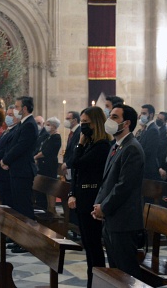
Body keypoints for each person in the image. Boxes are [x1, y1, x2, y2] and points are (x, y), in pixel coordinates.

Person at [92, 104, 144, 280]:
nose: (109, 120)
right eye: (110, 116)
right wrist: (99, 206)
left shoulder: (132, 148)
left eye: (114, 117)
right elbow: (106, 181)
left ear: (127, 123)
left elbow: (124, 186)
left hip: (123, 221)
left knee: (126, 272)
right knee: (115, 271)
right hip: (112, 218)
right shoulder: (116, 146)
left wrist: (104, 208)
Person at [68, 106, 111, 287]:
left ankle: (97, 282)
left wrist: (79, 143)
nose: (83, 126)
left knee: (94, 247)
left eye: (86, 123)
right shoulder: (91, 144)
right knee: (88, 246)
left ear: (97, 123)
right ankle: (92, 281)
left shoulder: (101, 146)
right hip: (82, 199)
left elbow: (76, 163)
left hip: (91, 200)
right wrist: (72, 193)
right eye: (82, 122)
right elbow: (76, 174)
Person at [0, 96, 38, 220]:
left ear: (25, 108)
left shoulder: (29, 124)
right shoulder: (23, 123)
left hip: (23, 171)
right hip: (17, 169)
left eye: (17, 107)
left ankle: (29, 237)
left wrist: (6, 160)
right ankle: (21, 237)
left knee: (24, 207)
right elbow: (13, 145)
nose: (15, 109)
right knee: (18, 206)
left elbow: (20, 147)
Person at [0, 105, 20, 208]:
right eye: (7, 114)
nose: (8, 117)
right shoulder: (7, 130)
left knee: (8, 202)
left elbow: (5, 150)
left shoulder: (16, 131)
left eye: (11, 115)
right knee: (4, 201)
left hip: (5, 172)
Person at [34, 116, 62, 213]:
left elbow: (46, 151)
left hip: (50, 166)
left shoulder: (56, 137)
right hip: (44, 166)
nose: (46, 126)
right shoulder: (49, 136)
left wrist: (35, 157)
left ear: (54, 126)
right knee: (44, 188)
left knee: (50, 188)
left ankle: (52, 209)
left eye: (48, 125)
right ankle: (46, 209)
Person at [138, 104, 160, 181]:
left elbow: (149, 150)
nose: (141, 116)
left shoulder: (153, 129)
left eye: (144, 113)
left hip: (148, 168)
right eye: (141, 113)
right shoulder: (147, 128)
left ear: (151, 115)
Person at [61, 110, 81, 180]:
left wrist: (67, 164)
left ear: (75, 120)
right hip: (69, 167)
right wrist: (65, 163)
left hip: (74, 167)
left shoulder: (79, 132)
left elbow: (76, 151)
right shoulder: (72, 132)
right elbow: (68, 151)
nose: (65, 121)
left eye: (68, 119)